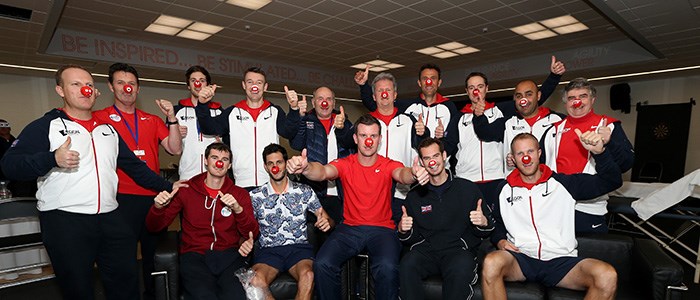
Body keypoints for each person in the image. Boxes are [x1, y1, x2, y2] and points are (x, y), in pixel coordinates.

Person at [0, 64, 175, 300]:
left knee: (126, 284)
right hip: (66, 221)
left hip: (111, 218)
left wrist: (171, 186)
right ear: (60, 90)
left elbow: (135, 168)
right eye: (76, 84)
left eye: (89, 85)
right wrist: (51, 158)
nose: (85, 90)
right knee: (79, 289)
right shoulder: (46, 126)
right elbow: (9, 165)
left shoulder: (108, 131)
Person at [286, 114, 429, 299]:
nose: (368, 141)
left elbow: (402, 174)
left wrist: (415, 173)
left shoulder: (388, 164)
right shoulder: (346, 164)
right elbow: (322, 172)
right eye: (363, 135)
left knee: (387, 267)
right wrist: (305, 168)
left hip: (382, 230)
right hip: (349, 229)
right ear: (355, 138)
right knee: (322, 264)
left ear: (379, 139)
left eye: (373, 136)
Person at [481, 132, 622, 300]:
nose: (526, 158)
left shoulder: (564, 184)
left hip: (561, 262)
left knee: (607, 275)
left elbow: (612, 181)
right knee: (491, 262)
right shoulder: (503, 190)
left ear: (539, 153)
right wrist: (500, 240)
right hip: (522, 259)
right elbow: (497, 223)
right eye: (520, 153)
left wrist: (600, 154)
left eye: (530, 151)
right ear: (513, 158)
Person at [93, 62, 182, 299]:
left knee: (154, 255)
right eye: (120, 83)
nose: (127, 88)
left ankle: (154, 294)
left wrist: (171, 118)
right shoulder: (99, 118)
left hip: (155, 198)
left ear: (138, 88)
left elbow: (174, 148)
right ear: (111, 87)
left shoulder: (151, 120)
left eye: (131, 83)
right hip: (119, 198)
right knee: (122, 256)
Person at [146, 142, 259, 299]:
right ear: (205, 161)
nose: (219, 163)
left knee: (236, 296)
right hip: (195, 256)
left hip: (229, 256)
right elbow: (154, 227)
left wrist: (238, 209)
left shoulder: (239, 194)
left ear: (229, 165)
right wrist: (158, 208)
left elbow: (251, 233)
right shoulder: (186, 190)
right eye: (214, 157)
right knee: (203, 295)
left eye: (224, 159)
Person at [398, 138, 494, 300]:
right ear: (422, 162)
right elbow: (410, 239)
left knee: (461, 267)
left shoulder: (467, 189)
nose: (432, 161)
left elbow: (488, 229)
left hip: (457, 251)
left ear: (444, 156)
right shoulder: (414, 195)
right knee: (408, 263)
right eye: (427, 158)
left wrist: (483, 223)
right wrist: (403, 230)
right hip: (427, 251)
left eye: (435, 155)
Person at [541, 77, 634, 233]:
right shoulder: (552, 130)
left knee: (589, 255)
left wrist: (609, 142)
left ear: (592, 100)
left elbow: (626, 164)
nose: (577, 102)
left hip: (590, 209)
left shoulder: (609, 125)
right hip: (555, 206)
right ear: (566, 103)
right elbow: (540, 167)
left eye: (583, 96)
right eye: (571, 98)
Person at [248, 143, 333, 300]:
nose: (275, 167)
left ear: (286, 164)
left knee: (308, 275)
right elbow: (245, 228)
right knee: (254, 279)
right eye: (270, 163)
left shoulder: (304, 191)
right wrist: (245, 240)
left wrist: (326, 222)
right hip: (269, 251)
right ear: (266, 167)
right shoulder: (255, 196)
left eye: (279, 162)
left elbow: (326, 218)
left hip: (298, 250)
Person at [195, 67, 301, 189]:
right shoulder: (232, 112)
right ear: (244, 85)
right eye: (250, 82)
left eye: (259, 83)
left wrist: (293, 109)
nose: (254, 86)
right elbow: (208, 129)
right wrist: (202, 105)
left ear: (265, 87)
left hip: (272, 182)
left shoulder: (275, 111)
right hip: (241, 183)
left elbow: (289, 132)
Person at [355, 72, 430, 225]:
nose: (384, 94)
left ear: (395, 94)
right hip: (371, 194)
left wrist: (424, 133)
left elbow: (423, 146)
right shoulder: (365, 123)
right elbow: (348, 144)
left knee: (401, 236)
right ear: (374, 96)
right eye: (379, 90)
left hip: (402, 193)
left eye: (388, 90)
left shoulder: (409, 120)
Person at [356, 64, 460, 156]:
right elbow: (380, 105)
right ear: (419, 82)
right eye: (425, 78)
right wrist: (364, 86)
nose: (429, 82)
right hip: (414, 168)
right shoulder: (408, 106)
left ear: (439, 82)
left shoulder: (449, 107)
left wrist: (441, 141)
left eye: (433, 78)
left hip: (440, 167)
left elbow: (454, 139)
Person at [289, 85, 354, 224]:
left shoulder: (344, 121)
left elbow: (353, 144)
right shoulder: (307, 121)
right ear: (313, 103)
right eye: (320, 99)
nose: (324, 103)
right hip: (314, 190)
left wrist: (342, 129)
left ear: (334, 103)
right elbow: (296, 144)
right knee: (316, 233)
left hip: (341, 192)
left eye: (329, 99)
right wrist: (301, 118)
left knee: (340, 233)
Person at [473, 78, 565, 173]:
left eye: (528, 94)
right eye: (519, 96)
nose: (523, 100)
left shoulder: (557, 121)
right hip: (515, 185)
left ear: (538, 96)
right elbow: (484, 133)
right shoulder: (508, 123)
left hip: (549, 183)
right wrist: (478, 116)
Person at [174, 65, 224, 181]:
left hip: (214, 175)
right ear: (188, 85)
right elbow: (171, 149)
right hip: (187, 175)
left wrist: (222, 140)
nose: (198, 84)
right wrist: (175, 134)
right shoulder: (177, 111)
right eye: (193, 81)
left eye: (202, 81)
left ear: (208, 85)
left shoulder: (219, 111)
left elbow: (230, 144)